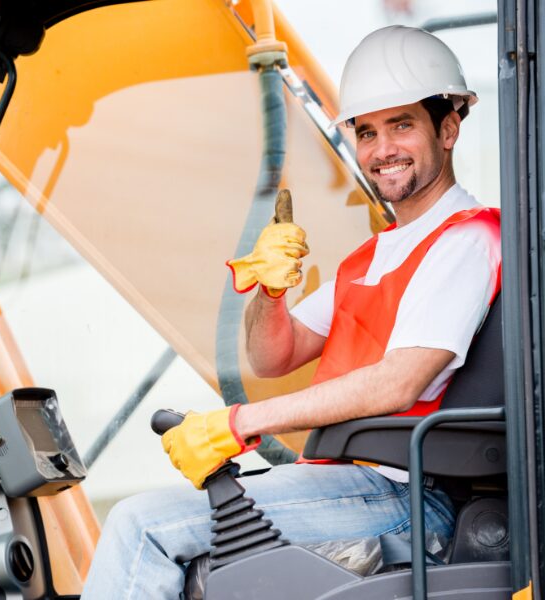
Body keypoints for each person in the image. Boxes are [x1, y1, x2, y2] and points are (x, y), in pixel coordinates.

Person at [81, 25, 501, 599]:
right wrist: (270, 291)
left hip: (404, 496)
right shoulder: (372, 256)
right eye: (368, 132)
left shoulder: (466, 242)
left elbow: (399, 383)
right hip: (346, 482)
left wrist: (239, 424)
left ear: (448, 128)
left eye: (402, 125)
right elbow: (271, 357)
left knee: (142, 528)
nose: (382, 150)